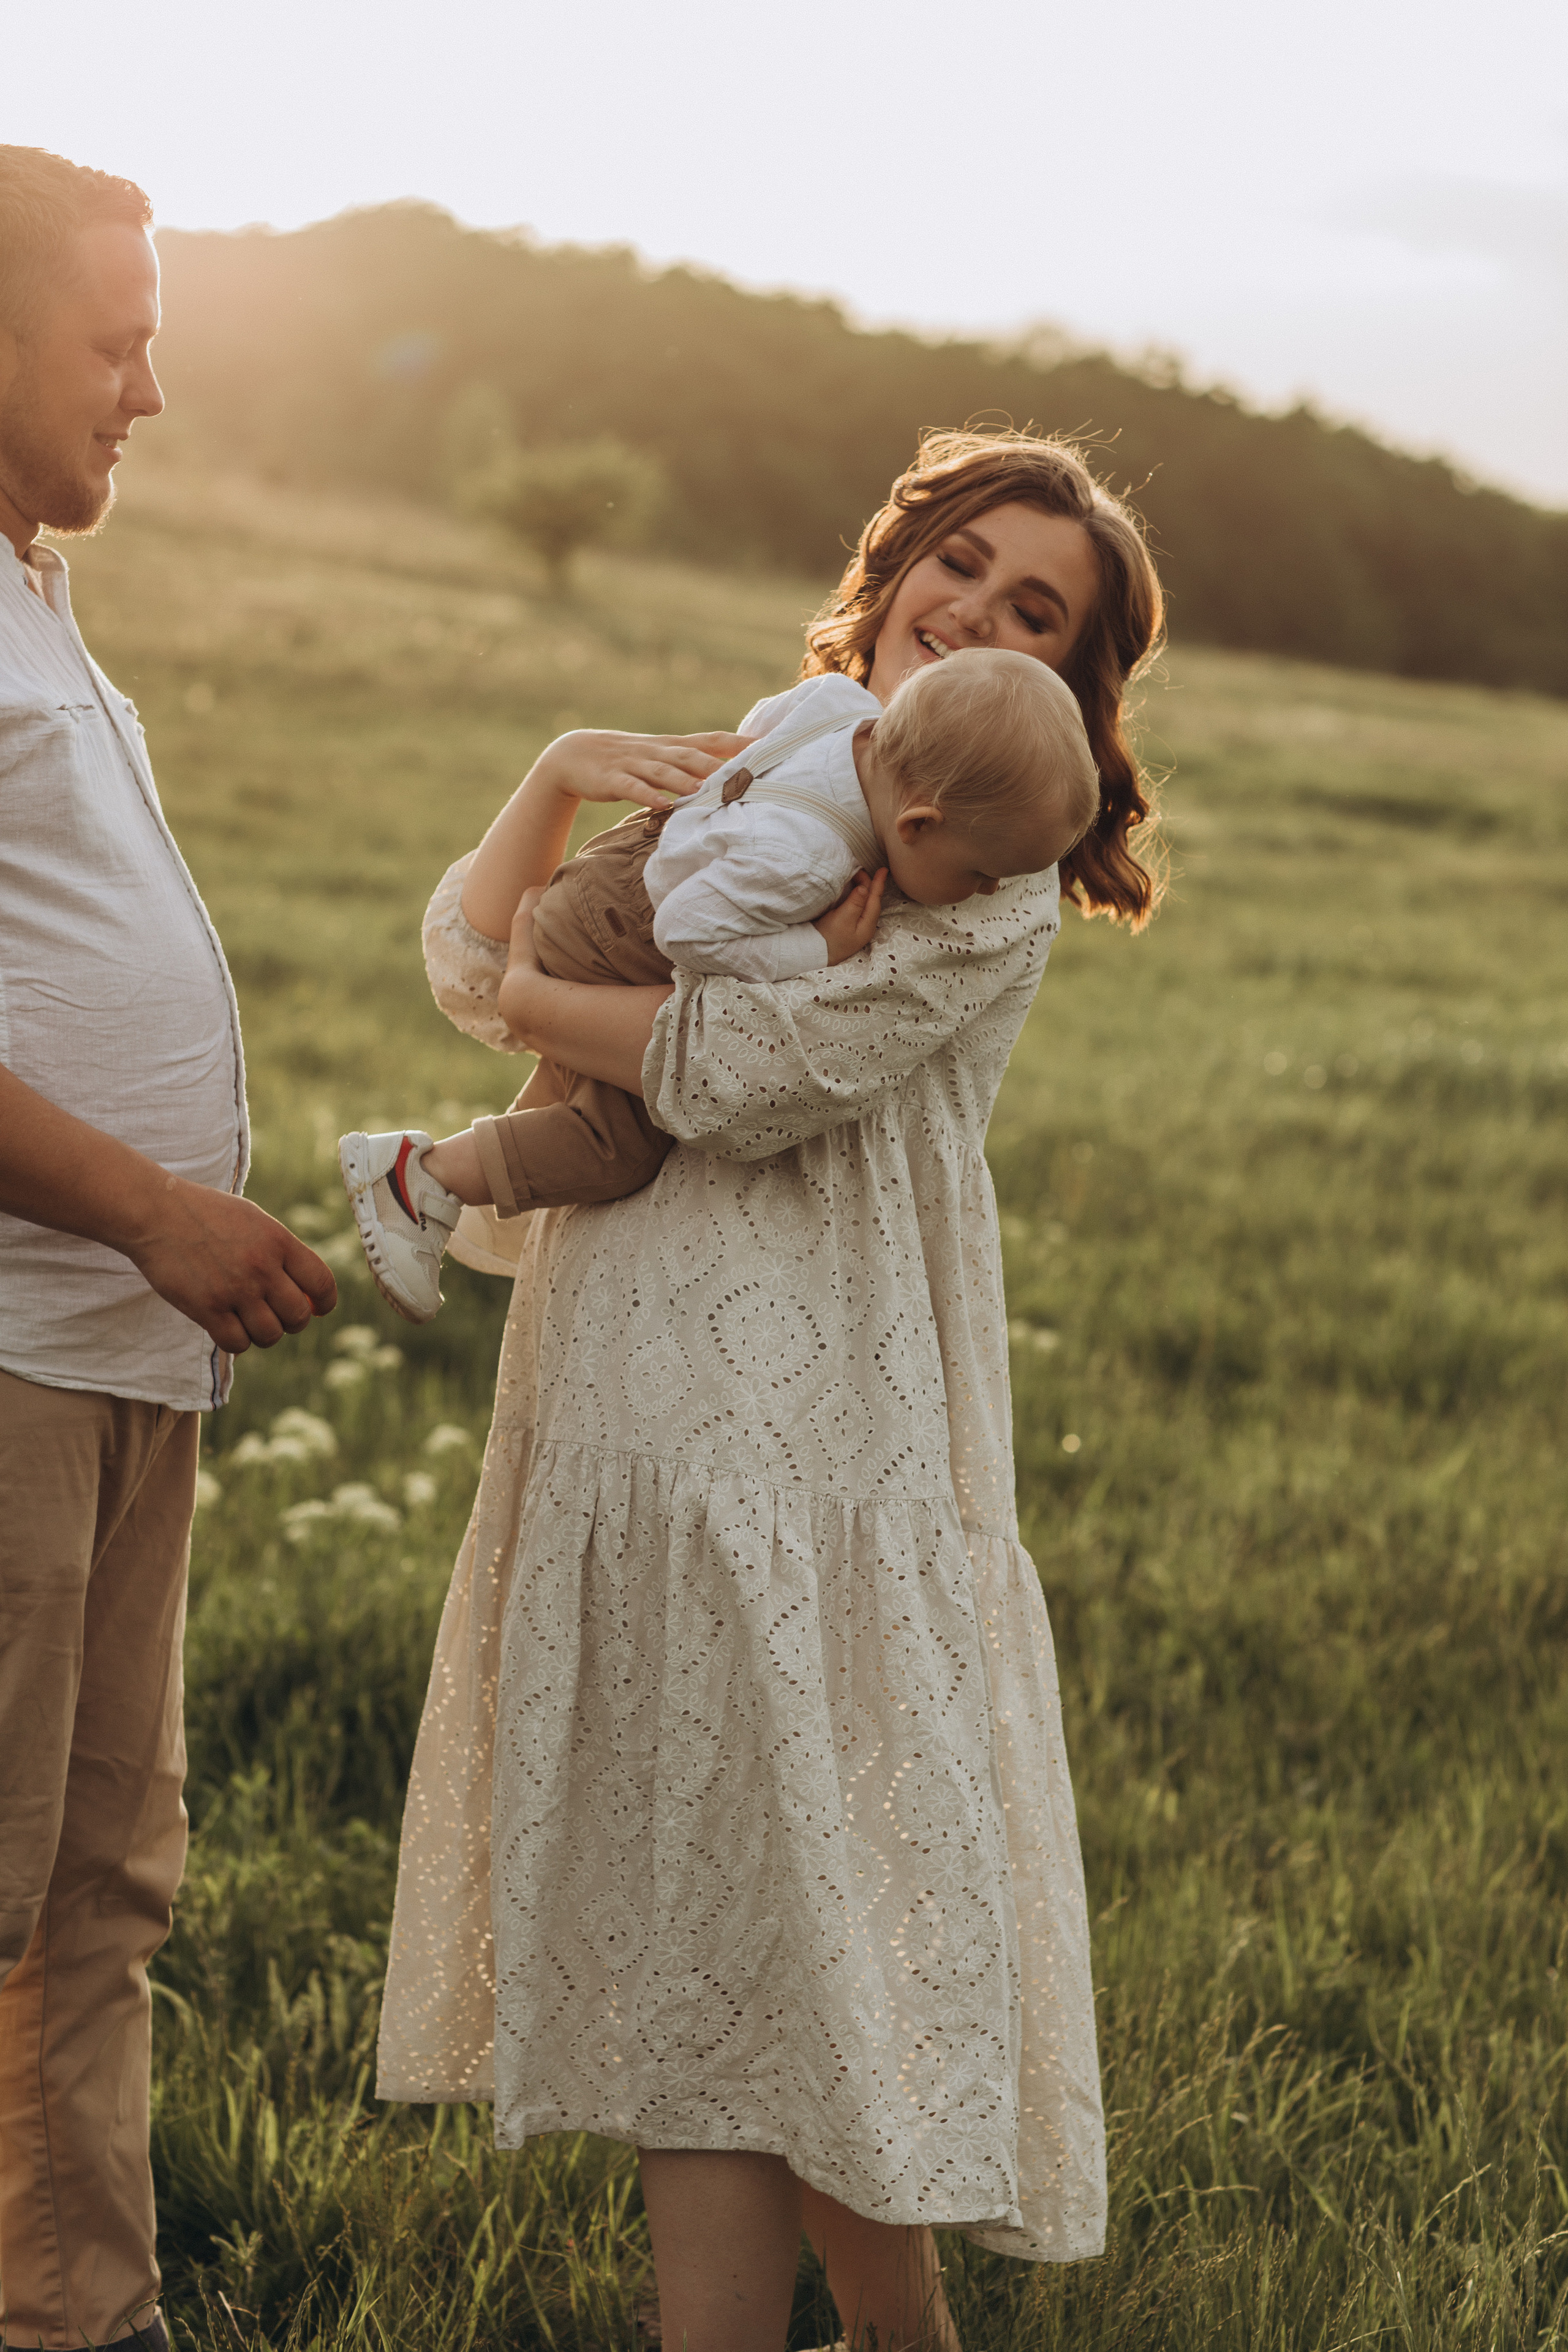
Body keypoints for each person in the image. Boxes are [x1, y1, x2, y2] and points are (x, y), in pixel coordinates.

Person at [376, 426, 1164, 2352]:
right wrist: (556, 786)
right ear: (895, 563)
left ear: (1069, 684)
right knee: (706, 1937)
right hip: (632, 1392)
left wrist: (515, 1016)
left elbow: (727, 1071)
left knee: (812, 1925)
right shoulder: (785, 754)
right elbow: (488, 942)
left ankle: (897, 2333)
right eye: (959, 562)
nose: (970, 606)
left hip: (826, 1425)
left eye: (1032, 606)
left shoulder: (982, 879)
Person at [0, 148, 337, 2352]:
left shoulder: (34, 599)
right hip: (17, 1348)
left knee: (96, 1896)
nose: (151, 390)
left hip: (117, 1368)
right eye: (114, 339)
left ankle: (77, 2321)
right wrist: (145, 1207)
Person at [339, 649, 1099, 1322]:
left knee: (590, 1086)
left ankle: (441, 1185)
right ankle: (417, 1178)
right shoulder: (805, 859)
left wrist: (732, 810)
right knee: (618, 1145)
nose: (986, 888)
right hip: (624, 928)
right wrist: (817, 945)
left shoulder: (842, 707)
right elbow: (687, 930)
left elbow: (767, 723)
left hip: (628, 859)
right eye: (978, 873)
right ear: (917, 825)